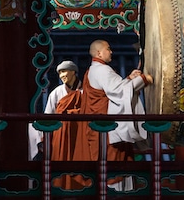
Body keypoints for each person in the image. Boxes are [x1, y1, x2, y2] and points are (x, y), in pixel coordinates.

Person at [53, 40, 153, 188]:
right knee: (113, 168)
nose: (111, 51)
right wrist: (144, 79)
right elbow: (119, 92)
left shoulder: (94, 70)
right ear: (99, 53)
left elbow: (112, 91)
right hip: (106, 128)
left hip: (101, 127)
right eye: (108, 49)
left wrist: (129, 79)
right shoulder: (101, 70)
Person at [28, 60, 81, 160]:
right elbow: (48, 115)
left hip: (79, 133)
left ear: (73, 72)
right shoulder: (56, 92)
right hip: (61, 134)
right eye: (60, 73)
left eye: (64, 71)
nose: (62, 75)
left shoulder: (83, 91)